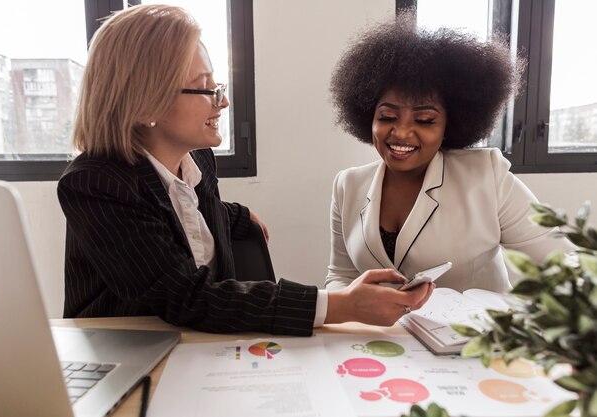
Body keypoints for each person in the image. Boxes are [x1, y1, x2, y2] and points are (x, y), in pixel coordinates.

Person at [57, 5, 433, 336]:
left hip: (193, 344)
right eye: (204, 89)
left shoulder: (197, 159)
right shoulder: (95, 184)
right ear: (146, 105)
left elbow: (177, 210)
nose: (222, 102)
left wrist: (235, 215)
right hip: (125, 350)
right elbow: (186, 296)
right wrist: (341, 305)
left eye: (216, 85)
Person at [325, 12, 574, 293]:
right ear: (369, 117)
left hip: (473, 335)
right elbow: (340, 276)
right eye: (387, 117)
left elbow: (563, 264)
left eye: (424, 120)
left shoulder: (486, 176)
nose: (402, 132)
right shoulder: (347, 185)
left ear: (449, 125)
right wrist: (350, 304)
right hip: (382, 337)